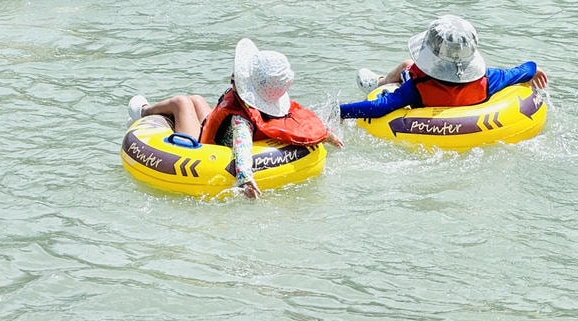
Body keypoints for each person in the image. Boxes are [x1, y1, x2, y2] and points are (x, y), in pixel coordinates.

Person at [126, 39, 336, 199]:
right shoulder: (273, 106)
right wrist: (325, 135)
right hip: (215, 129)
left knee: (181, 102)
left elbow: (242, 145)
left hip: (205, 146)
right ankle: (156, 111)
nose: (232, 77)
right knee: (197, 100)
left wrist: (245, 178)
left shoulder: (240, 119)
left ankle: (144, 111)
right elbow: (302, 121)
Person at [340, 15, 549, 119]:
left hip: (427, 112)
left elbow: (380, 107)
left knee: (407, 65)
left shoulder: (416, 88)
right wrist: (534, 69)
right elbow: (522, 71)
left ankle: (380, 82)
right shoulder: (489, 80)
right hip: (470, 114)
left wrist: (339, 111)